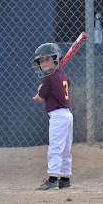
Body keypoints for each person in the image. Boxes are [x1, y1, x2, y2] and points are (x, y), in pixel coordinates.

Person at [32, 42, 74, 190]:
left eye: (47, 59)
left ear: (56, 59)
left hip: (58, 116)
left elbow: (42, 98)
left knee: (56, 147)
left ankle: (52, 178)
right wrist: (42, 90)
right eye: (41, 61)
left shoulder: (49, 79)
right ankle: (65, 179)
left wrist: (39, 92)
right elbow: (61, 89)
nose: (44, 63)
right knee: (66, 148)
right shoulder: (62, 76)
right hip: (67, 115)